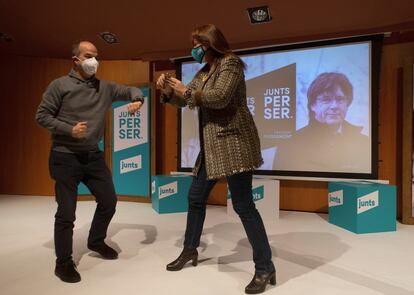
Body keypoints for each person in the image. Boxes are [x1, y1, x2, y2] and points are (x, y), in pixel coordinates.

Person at [157, 24, 276, 294]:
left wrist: (184, 89)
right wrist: (167, 91)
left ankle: (265, 267)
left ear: (210, 43)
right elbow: (186, 101)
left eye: (197, 43)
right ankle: (190, 250)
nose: (195, 49)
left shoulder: (230, 63)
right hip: (212, 147)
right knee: (196, 198)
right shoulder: (205, 71)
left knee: (244, 206)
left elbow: (219, 97)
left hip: (235, 143)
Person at [35, 41, 144, 283]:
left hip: (93, 156)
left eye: (96, 56)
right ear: (75, 60)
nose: (93, 61)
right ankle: (63, 263)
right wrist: (68, 129)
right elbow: (41, 115)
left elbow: (129, 91)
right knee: (66, 213)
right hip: (64, 156)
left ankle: (96, 240)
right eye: (88, 56)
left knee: (109, 201)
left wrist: (138, 100)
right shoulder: (59, 85)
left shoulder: (104, 87)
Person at [275, 72, 370, 171]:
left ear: (347, 104)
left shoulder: (365, 144)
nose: (334, 106)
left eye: (340, 99)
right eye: (326, 99)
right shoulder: (289, 145)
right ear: (312, 105)